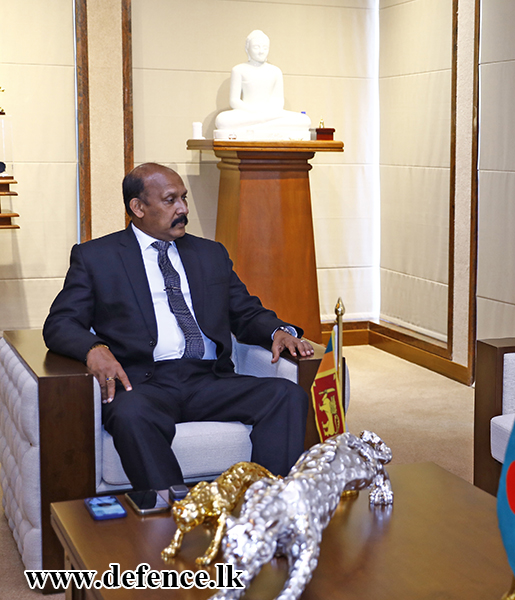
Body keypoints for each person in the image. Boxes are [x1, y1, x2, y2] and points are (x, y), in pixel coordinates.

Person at [43, 163, 314, 491]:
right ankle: (176, 514)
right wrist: (93, 348)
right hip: (143, 383)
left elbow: (245, 312)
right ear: (138, 207)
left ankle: (268, 506)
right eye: (171, 200)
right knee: (130, 416)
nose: (183, 208)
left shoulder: (209, 254)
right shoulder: (97, 257)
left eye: (183, 198)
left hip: (209, 379)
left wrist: (278, 331)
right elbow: (60, 322)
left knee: (285, 395)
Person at [214, 30, 311, 140]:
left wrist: (266, 113)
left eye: (265, 48)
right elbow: (234, 101)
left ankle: (260, 125)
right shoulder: (239, 70)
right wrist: (254, 112)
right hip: (247, 114)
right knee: (222, 120)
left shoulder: (275, 71)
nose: (261, 51)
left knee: (305, 120)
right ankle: (266, 125)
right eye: (256, 47)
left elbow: (279, 101)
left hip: (270, 114)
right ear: (247, 49)